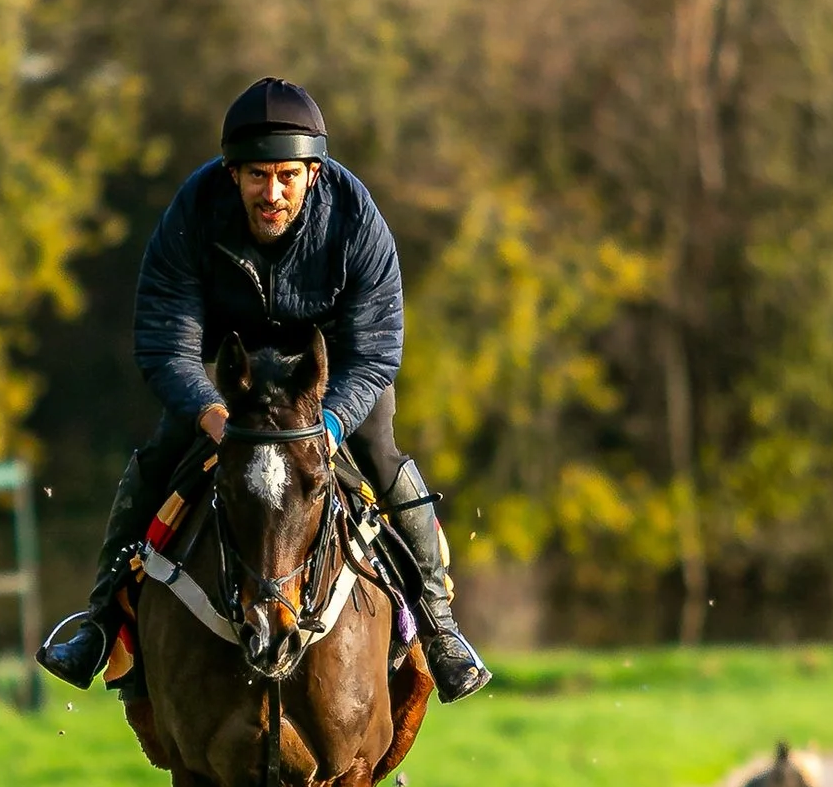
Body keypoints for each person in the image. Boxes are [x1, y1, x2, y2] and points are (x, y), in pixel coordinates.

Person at [37, 77, 492, 702]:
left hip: (330, 375)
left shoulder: (358, 219)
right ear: (232, 174)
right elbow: (165, 337)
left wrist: (330, 425)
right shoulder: (192, 212)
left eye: (287, 176)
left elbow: (376, 349)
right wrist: (208, 412)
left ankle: (440, 630)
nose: (271, 193)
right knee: (163, 452)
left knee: (382, 454)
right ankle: (96, 624)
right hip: (231, 376)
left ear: (313, 173)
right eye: (256, 176)